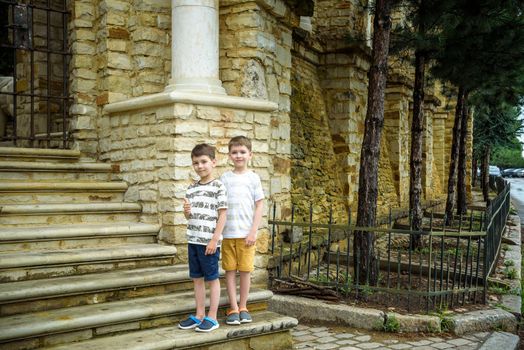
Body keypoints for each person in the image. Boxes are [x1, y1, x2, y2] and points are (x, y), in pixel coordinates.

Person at [178, 143, 227, 332]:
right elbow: (189, 217)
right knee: (197, 279)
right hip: (193, 240)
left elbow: (222, 215)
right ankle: (199, 315)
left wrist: (215, 239)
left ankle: (212, 317)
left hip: (209, 243)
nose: (200, 166)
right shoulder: (191, 188)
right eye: (196, 163)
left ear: (213, 162)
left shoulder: (218, 187)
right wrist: (186, 212)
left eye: (204, 161)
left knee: (212, 278)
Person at [220, 136, 264, 325]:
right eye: (234, 152)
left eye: (242, 152)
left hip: (247, 235)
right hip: (228, 234)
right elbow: (220, 205)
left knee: (245, 271)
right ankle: (233, 307)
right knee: (230, 270)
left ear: (250, 155)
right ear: (229, 155)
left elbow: (259, 205)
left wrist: (253, 231)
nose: (238, 155)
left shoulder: (253, 178)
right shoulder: (225, 178)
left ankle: (244, 306)